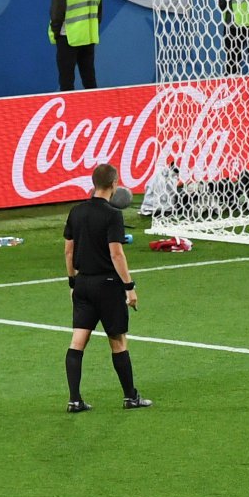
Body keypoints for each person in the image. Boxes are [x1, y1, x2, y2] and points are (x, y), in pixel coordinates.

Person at [63, 163, 154, 412]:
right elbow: (117, 254)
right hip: (108, 285)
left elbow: (68, 251)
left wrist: (73, 282)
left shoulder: (76, 211)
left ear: (94, 183)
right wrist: (129, 286)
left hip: (83, 284)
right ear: (114, 184)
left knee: (77, 342)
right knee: (118, 342)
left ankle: (74, 400)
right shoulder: (113, 215)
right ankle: (130, 396)